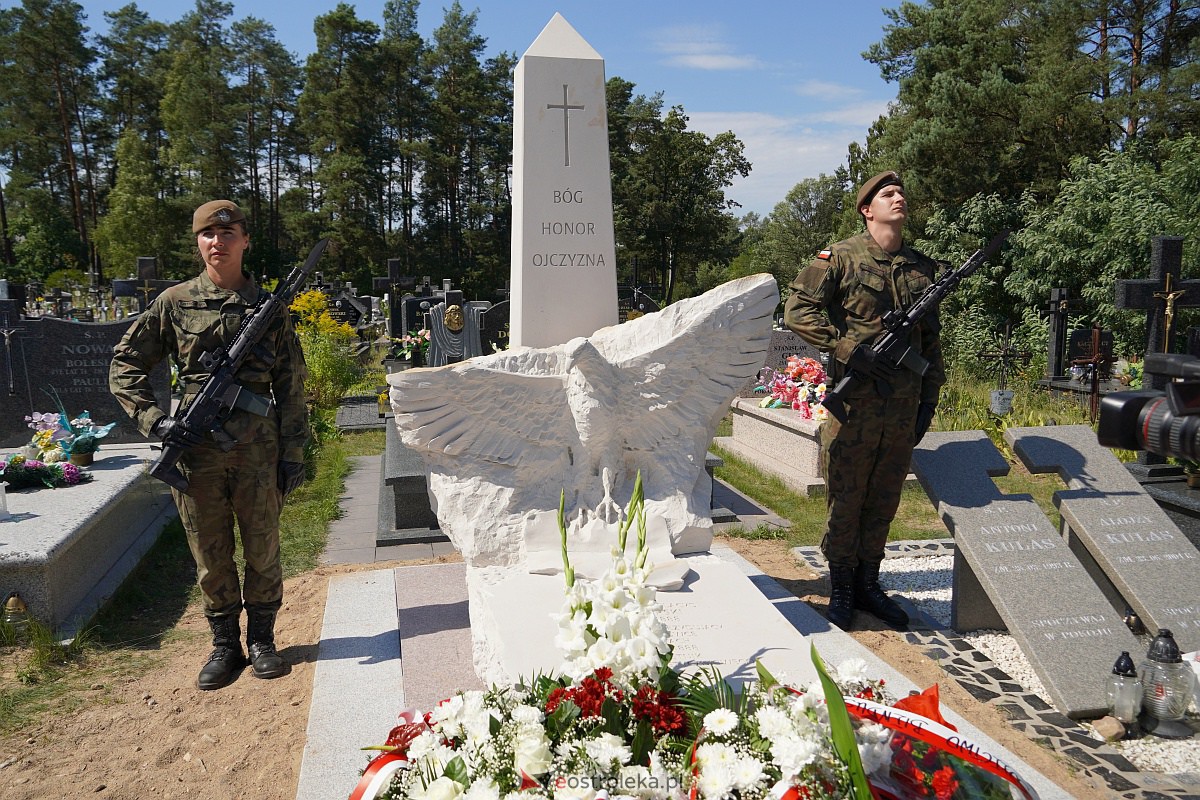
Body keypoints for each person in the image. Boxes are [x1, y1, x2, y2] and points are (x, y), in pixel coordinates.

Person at [110, 200, 309, 689]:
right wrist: (156, 423)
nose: (217, 241)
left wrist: (293, 453)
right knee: (209, 553)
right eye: (207, 234)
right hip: (196, 454)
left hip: (259, 453)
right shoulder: (174, 302)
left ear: (244, 240)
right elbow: (125, 365)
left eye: (228, 232)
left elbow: (291, 386)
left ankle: (262, 640)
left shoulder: (270, 310)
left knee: (263, 549)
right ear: (198, 243)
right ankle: (225, 646)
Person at [783, 172, 944, 630]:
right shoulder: (841, 257)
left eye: (901, 192)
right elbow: (798, 310)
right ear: (866, 209)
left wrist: (928, 401)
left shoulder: (920, 268)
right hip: (855, 405)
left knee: (884, 498)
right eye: (887, 194)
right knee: (848, 496)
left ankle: (871, 583)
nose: (899, 197)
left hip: (901, 406)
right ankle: (843, 586)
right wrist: (847, 348)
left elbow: (930, 343)